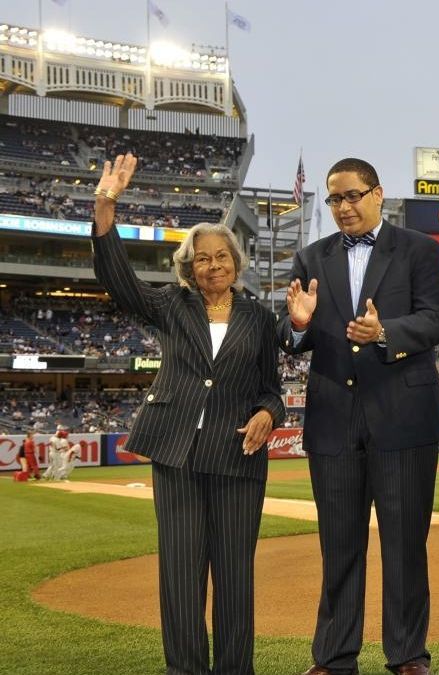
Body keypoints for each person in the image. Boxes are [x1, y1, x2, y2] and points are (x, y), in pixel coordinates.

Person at [91, 153, 284, 675]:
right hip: (176, 453)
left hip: (238, 456)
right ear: (189, 267)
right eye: (203, 258)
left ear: (236, 263)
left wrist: (268, 411)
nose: (214, 265)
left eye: (223, 256)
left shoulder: (260, 319)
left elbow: (273, 388)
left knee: (235, 576)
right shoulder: (172, 306)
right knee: (179, 574)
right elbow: (118, 282)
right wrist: (105, 206)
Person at [279, 158, 439, 675]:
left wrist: (384, 334)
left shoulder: (421, 249)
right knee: (339, 545)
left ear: (377, 194)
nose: (344, 207)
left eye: (352, 195)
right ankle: (333, 656)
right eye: (335, 199)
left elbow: (435, 321)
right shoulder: (310, 257)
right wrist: (298, 325)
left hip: (402, 413)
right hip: (334, 416)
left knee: (404, 546)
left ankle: (407, 656)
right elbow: (295, 336)